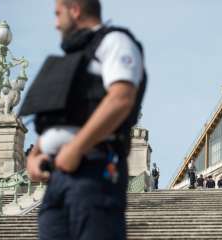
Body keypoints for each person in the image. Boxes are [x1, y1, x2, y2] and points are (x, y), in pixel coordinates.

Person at [20, 0, 147, 239]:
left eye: (58, 14)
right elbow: (62, 119)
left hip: (94, 168)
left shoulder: (115, 42)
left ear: (75, 10)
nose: (56, 24)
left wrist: (76, 148)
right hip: (56, 177)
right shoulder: (73, 60)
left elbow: (121, 98)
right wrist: (35, 154)